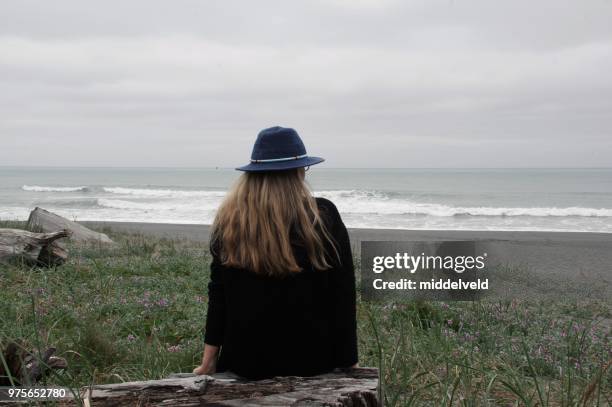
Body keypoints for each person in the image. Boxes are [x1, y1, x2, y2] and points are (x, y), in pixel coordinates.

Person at [193, 126, 358, 380]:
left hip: (245, 364)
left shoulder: (230, 221)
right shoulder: (322, 217)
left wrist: (209, 360)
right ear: (298, 171)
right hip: (314, 362)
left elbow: (219, 295)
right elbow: (342, 293)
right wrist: (349, 362)